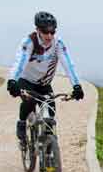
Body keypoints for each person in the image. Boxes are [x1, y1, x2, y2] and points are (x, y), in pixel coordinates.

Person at [6, 11, 84, 148]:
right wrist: (12, 81)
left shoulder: (58, 44)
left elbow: (68, 64)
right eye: (45, 32)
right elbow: (20, 63)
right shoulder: (29, 42)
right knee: (29, 102)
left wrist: (77, 85)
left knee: (50, 112)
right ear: (37, 30)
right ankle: (22, 124)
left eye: (52, 32)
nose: (49, 36)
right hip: (26, 80)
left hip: (44, 83)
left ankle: (49, 150)